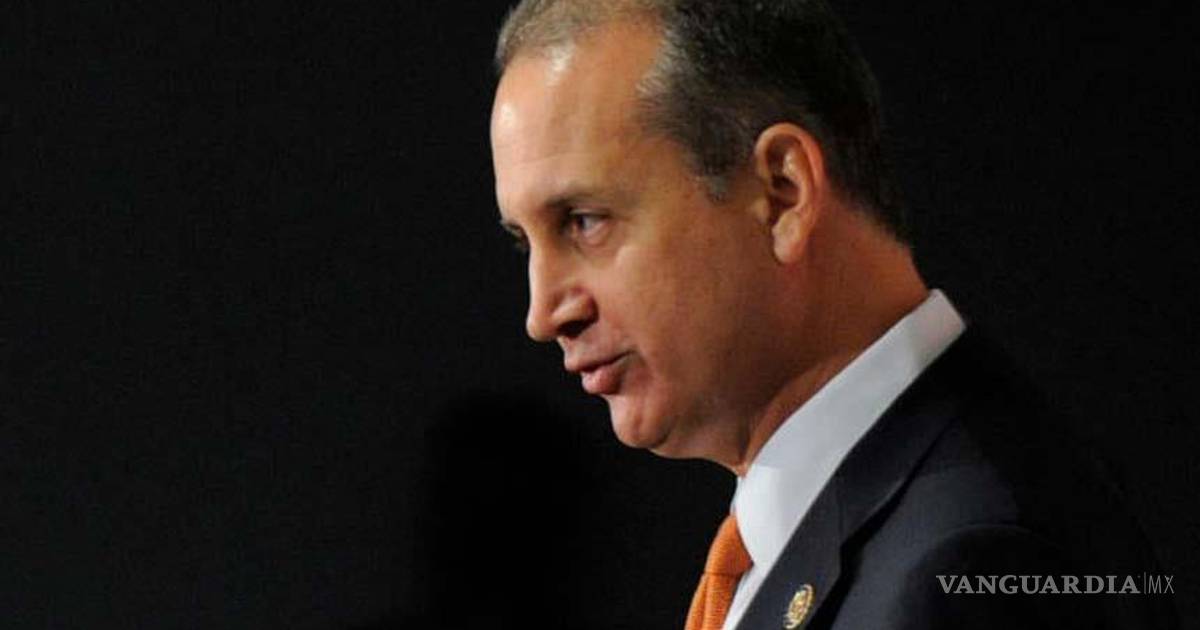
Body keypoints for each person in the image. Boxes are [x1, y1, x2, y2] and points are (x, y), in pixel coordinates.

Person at [488, 1, 1177, 628]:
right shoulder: (856, 526)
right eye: (525, 242)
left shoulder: (969, 566)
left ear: (782, 194)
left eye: (584, 221)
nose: (542, 315)